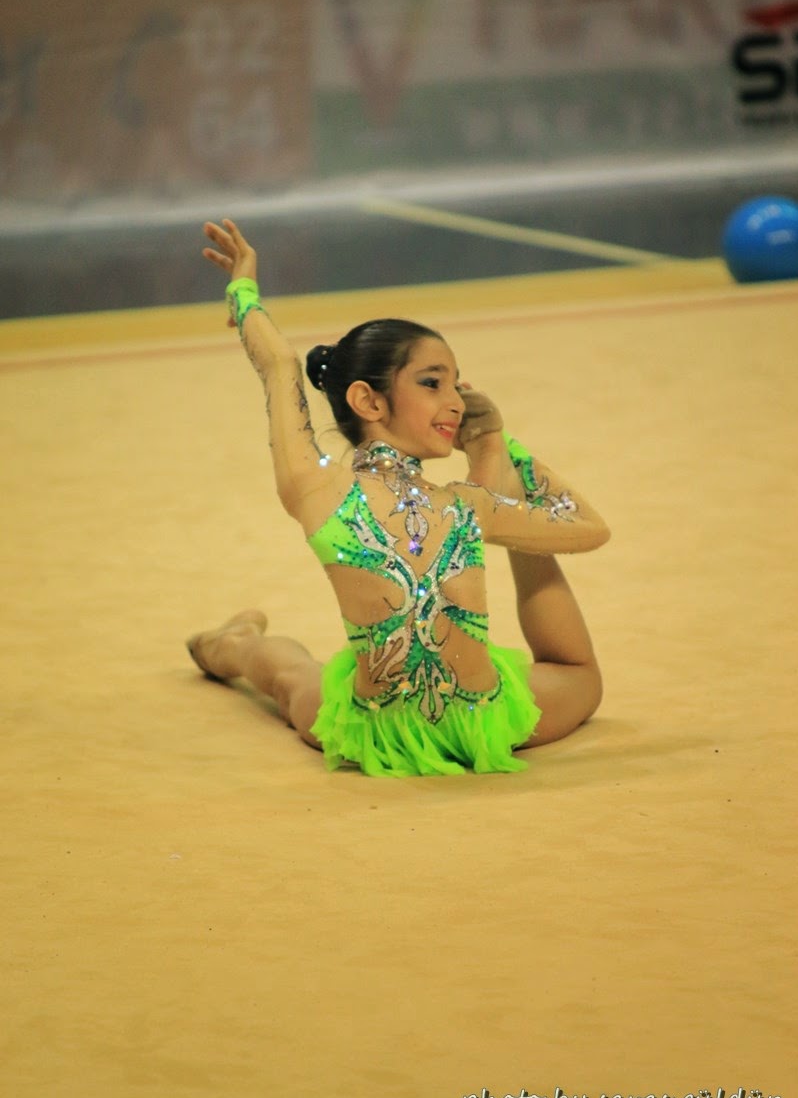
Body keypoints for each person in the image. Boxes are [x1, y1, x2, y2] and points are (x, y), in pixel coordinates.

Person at [187, 219, 610, 777]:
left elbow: (592, 530)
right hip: (408, 726)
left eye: (457, 385)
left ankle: (239, 645)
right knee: (292, 679)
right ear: (368, 400)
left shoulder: (462, 503)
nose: (455, 401)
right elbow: (279, 364)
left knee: (295, 682)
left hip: (437, 723)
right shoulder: (325, 486)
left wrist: (494, 444)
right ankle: (235, 644)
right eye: (432, 383)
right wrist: (244, 291)